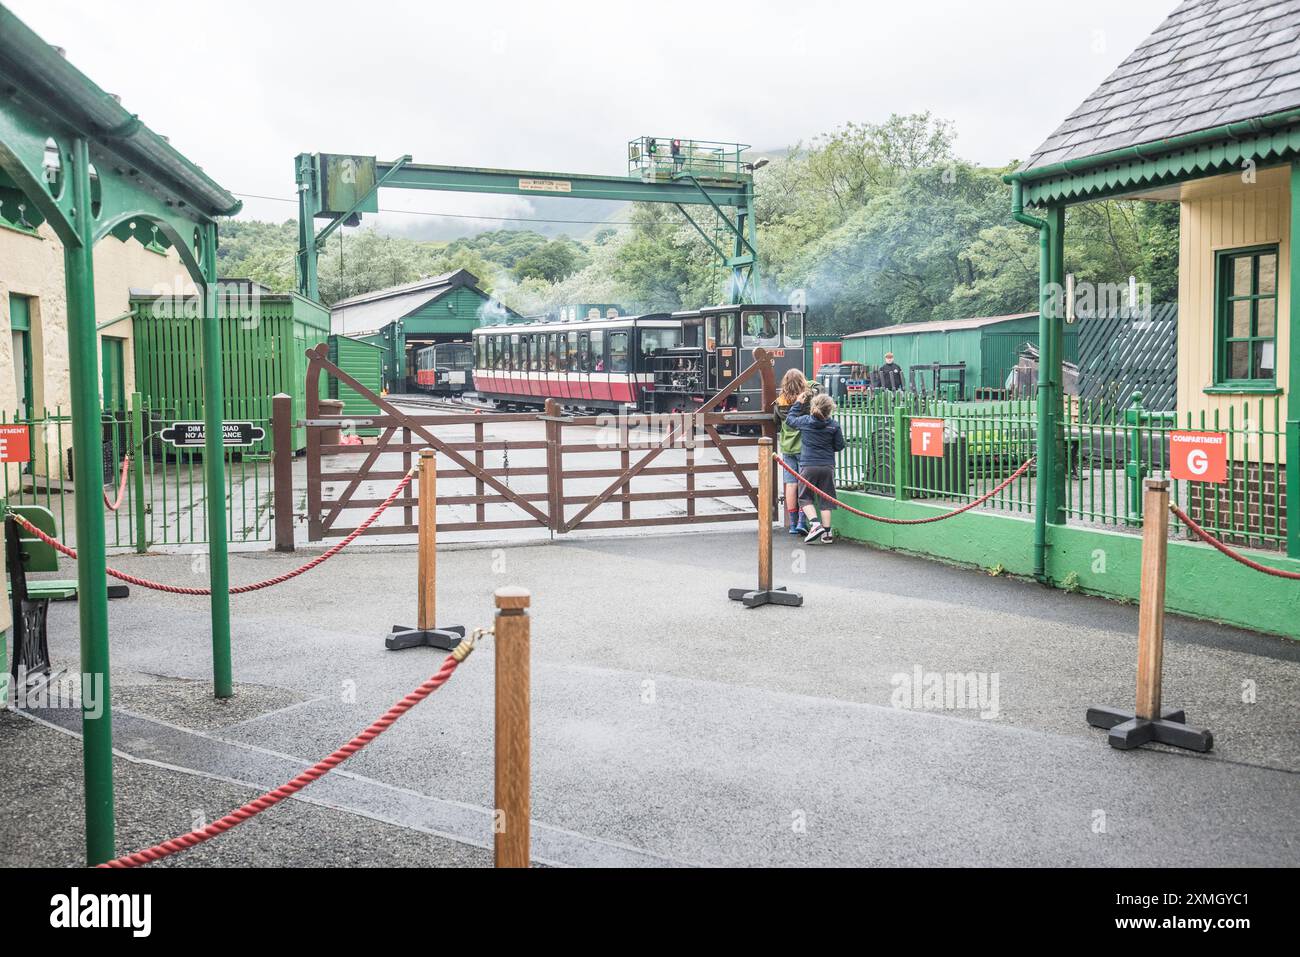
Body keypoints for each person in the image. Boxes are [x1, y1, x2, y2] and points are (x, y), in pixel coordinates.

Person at [786, 391, 846, 543]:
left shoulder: (806, 421)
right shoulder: (834, 425)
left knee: (805, 498)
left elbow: (790, 420)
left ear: (813, 407)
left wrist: (798, 403)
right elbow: (840, 446)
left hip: (809, 465)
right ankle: (827, 534)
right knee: (826, 499)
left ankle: (815, 523)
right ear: (829, 410)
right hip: (827, 466)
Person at [773, 369, 809, 535]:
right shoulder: (806, 401)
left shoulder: (779, 402)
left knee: (791, 484)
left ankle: (793, 524)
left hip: (787, 448)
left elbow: (776, 423)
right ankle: (803, 521)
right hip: (804, 446)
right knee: (804, 483)